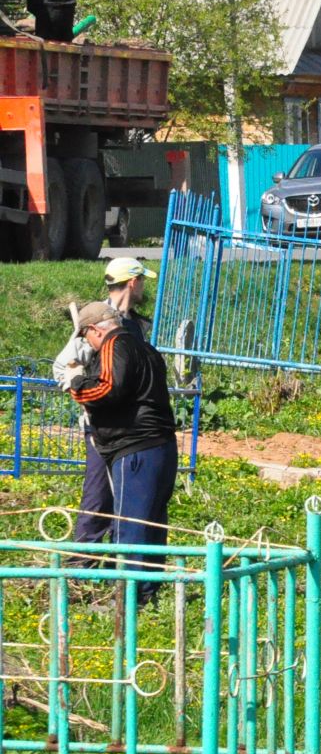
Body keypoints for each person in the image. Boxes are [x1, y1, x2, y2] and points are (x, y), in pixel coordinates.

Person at [68, 300, 177, 605]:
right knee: (153, 521)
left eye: (85, 336)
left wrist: (77, 384)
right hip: (161, 443)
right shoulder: (145, 347)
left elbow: (108, 388)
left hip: (135, 447)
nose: (86, 343)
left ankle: (129, 600)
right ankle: (147, 592)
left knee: (131, 524)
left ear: (94, 330)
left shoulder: (115, 345)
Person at [52, 258, 158, 550]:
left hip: (129, 429)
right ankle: (81, 565)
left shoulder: (133, 325)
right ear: (133, 282)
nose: (144, 287)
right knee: (98, 495)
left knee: (123, 495)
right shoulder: (97, 321)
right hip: (101, 425)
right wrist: (82, 394)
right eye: (143, 281)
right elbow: (63, 366)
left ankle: (114, 560)